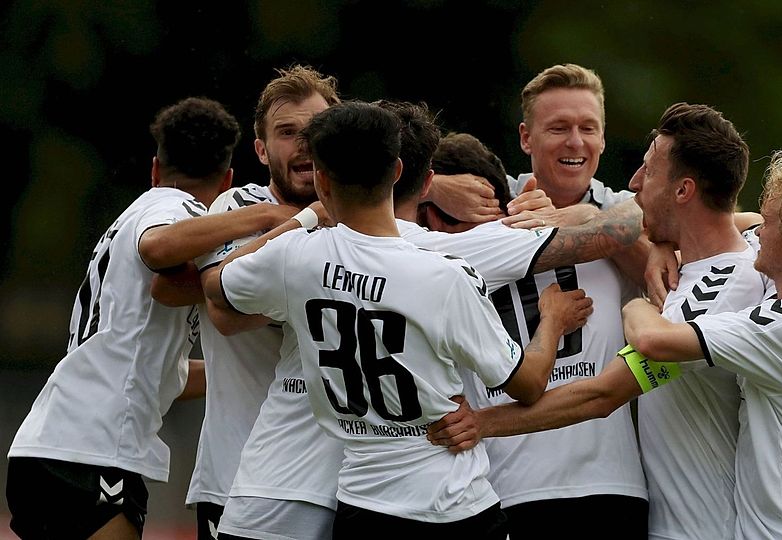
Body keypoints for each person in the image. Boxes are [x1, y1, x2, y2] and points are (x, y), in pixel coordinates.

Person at [205, 101, 592, 538]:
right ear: (397, 172)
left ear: (322, 180)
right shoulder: (443, 274)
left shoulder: (294, 257)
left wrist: (304, 218)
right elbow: (528, 384)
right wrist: (552, 320)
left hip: (361, 505)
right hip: (451, 505)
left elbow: (217, 284)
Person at [430, 102, 765, 539]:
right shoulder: (699, 266)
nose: (633, 183)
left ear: (683, 191)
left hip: (705, 528)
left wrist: (482, 422)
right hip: (654, 516)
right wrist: (661, 241)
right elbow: (744, 224)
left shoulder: (714, 293)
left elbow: (605, 392)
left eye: (649, 172)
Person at [4, 97, 291, 539]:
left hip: (46, 445)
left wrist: (246, 371)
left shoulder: (126, 217)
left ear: (155, 168)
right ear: (228, 180)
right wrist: (268, 214)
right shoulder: (174, 207)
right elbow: (157, 248)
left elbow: (157, 369)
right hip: (94, 450)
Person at [441, 63, 650, 538]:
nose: (575, 142)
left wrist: (582, 216)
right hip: (502, 483)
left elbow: (675, 252)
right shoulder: (483, 204)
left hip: (610, 483)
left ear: (603, 138)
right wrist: (434, 186)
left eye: (588, 128)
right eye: (558, 128)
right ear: (525, 137)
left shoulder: (624, 211)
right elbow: (373, 211)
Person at [618, 151, 782, 539]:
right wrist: (664, 243)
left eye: (770, 224)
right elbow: (735, 224)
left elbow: (654, 340)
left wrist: (635, 304)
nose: (758, 232)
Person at [181, 64, 342, 540]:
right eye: (287, 132)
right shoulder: (237, 207)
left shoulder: (365, 217)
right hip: (238, 479)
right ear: (261, 149)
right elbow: (225, 313)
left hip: (343, 483)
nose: (304, 145)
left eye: (315, 131)